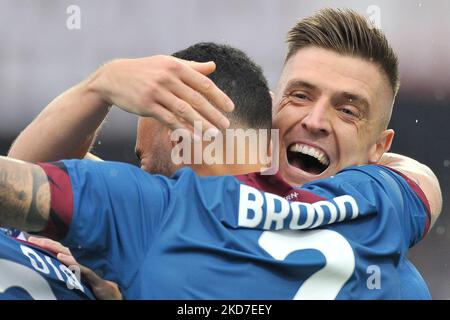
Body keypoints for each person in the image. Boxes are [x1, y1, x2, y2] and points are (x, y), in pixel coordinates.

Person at [4, 9, 442, 299]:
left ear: (378, 149)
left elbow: (27, 176)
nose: (316, 120)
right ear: (271, 112)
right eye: (300, 96)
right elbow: (422, 183)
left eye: (347, 111)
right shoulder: (390, 231)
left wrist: (100, 84)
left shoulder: (168, 211)